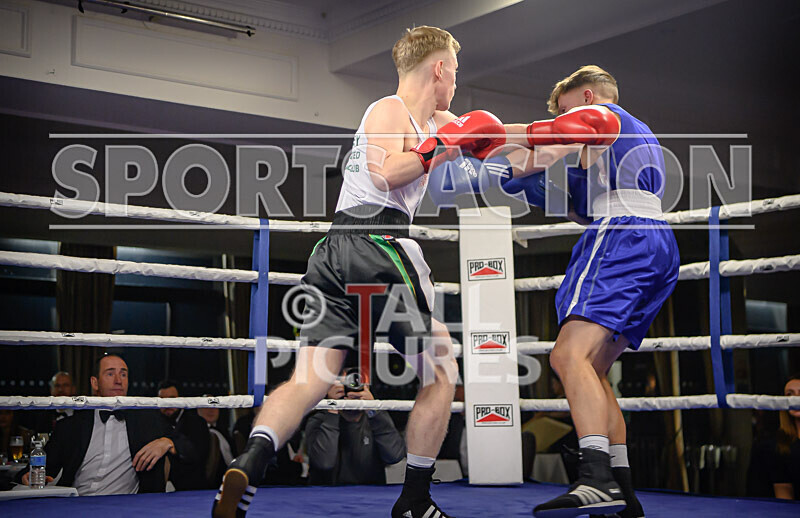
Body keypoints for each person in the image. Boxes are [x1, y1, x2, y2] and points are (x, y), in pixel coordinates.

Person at [213, 25, 508, 518]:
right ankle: (415, 500)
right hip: (380, 243)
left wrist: (558, 137)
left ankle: (252, 458)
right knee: (441, 369)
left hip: (334, 251)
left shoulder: (437, 119)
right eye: (454, 72)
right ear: (439, 68)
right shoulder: (389, 109)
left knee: (312, 375)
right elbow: (387, 173)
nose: (455, 83)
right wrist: (443, 145)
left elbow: (500, 154)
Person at [505, 65, 679, 518]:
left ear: (586, 99)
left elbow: (543, 146)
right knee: (594, 369)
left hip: (624, 236)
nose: (566, 123)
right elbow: (582, 209)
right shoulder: (622, 144)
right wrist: (527, 183)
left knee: (567, 357)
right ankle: (623, 490)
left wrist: (477, 136)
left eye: (566, 112)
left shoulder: (605, 115)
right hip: (654, 244)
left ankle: (595, 478)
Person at [17, 353, 194, 495]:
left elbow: (192, 450)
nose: (119, 380)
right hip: (77, 504)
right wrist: (27, 476)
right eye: (110, 373)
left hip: (128, 507)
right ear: (95, 383)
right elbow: (36, 469)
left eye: (123, 374)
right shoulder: (71, 426)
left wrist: (167, 442)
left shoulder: (148, 420)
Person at [305, 368, 405, 485]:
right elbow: (324, 463)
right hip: (329, 496)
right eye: (344, 383)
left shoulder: (376, 419)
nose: (350, 386)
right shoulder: (318, 420)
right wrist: (332, 406)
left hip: (369, 495)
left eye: (355, 382)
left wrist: (373, 408)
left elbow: (395, 457)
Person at [158, 380, 211, 490]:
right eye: (163, 400)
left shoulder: (197, 422)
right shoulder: (154, 422)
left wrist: (171, 444)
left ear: (181, 399)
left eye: (172, 399)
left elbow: (198, 455)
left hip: (190, 488)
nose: (167, 404)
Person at [198, 398, 236, 487]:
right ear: (198, 409)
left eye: (215, 406)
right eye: (206, 407)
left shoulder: (226, 433)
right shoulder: (194, 434)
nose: (211, 410)